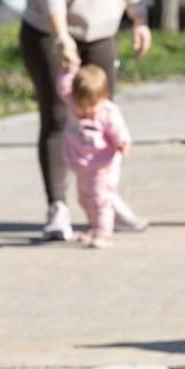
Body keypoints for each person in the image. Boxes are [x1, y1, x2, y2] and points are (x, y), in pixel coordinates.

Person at [21, 0, 151, 242]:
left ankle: (105, 196)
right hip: (51, 29)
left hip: (102, 28)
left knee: (102, 115)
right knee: (59, 118)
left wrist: (139, 17)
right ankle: (57, 206)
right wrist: (61, 35)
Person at [57, 62, 133, 249]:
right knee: (84, 199)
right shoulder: (72, 104)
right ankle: (94, 227)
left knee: (101, 199)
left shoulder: (107, 111)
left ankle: (104, 232)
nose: (87, 109)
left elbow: (118, 128)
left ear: (103, 96)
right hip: (82, 165)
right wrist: (68, 71)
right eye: (82, 104)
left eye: (92, 104)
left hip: (103, 165)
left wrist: (122, 142)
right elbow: (63, 87)